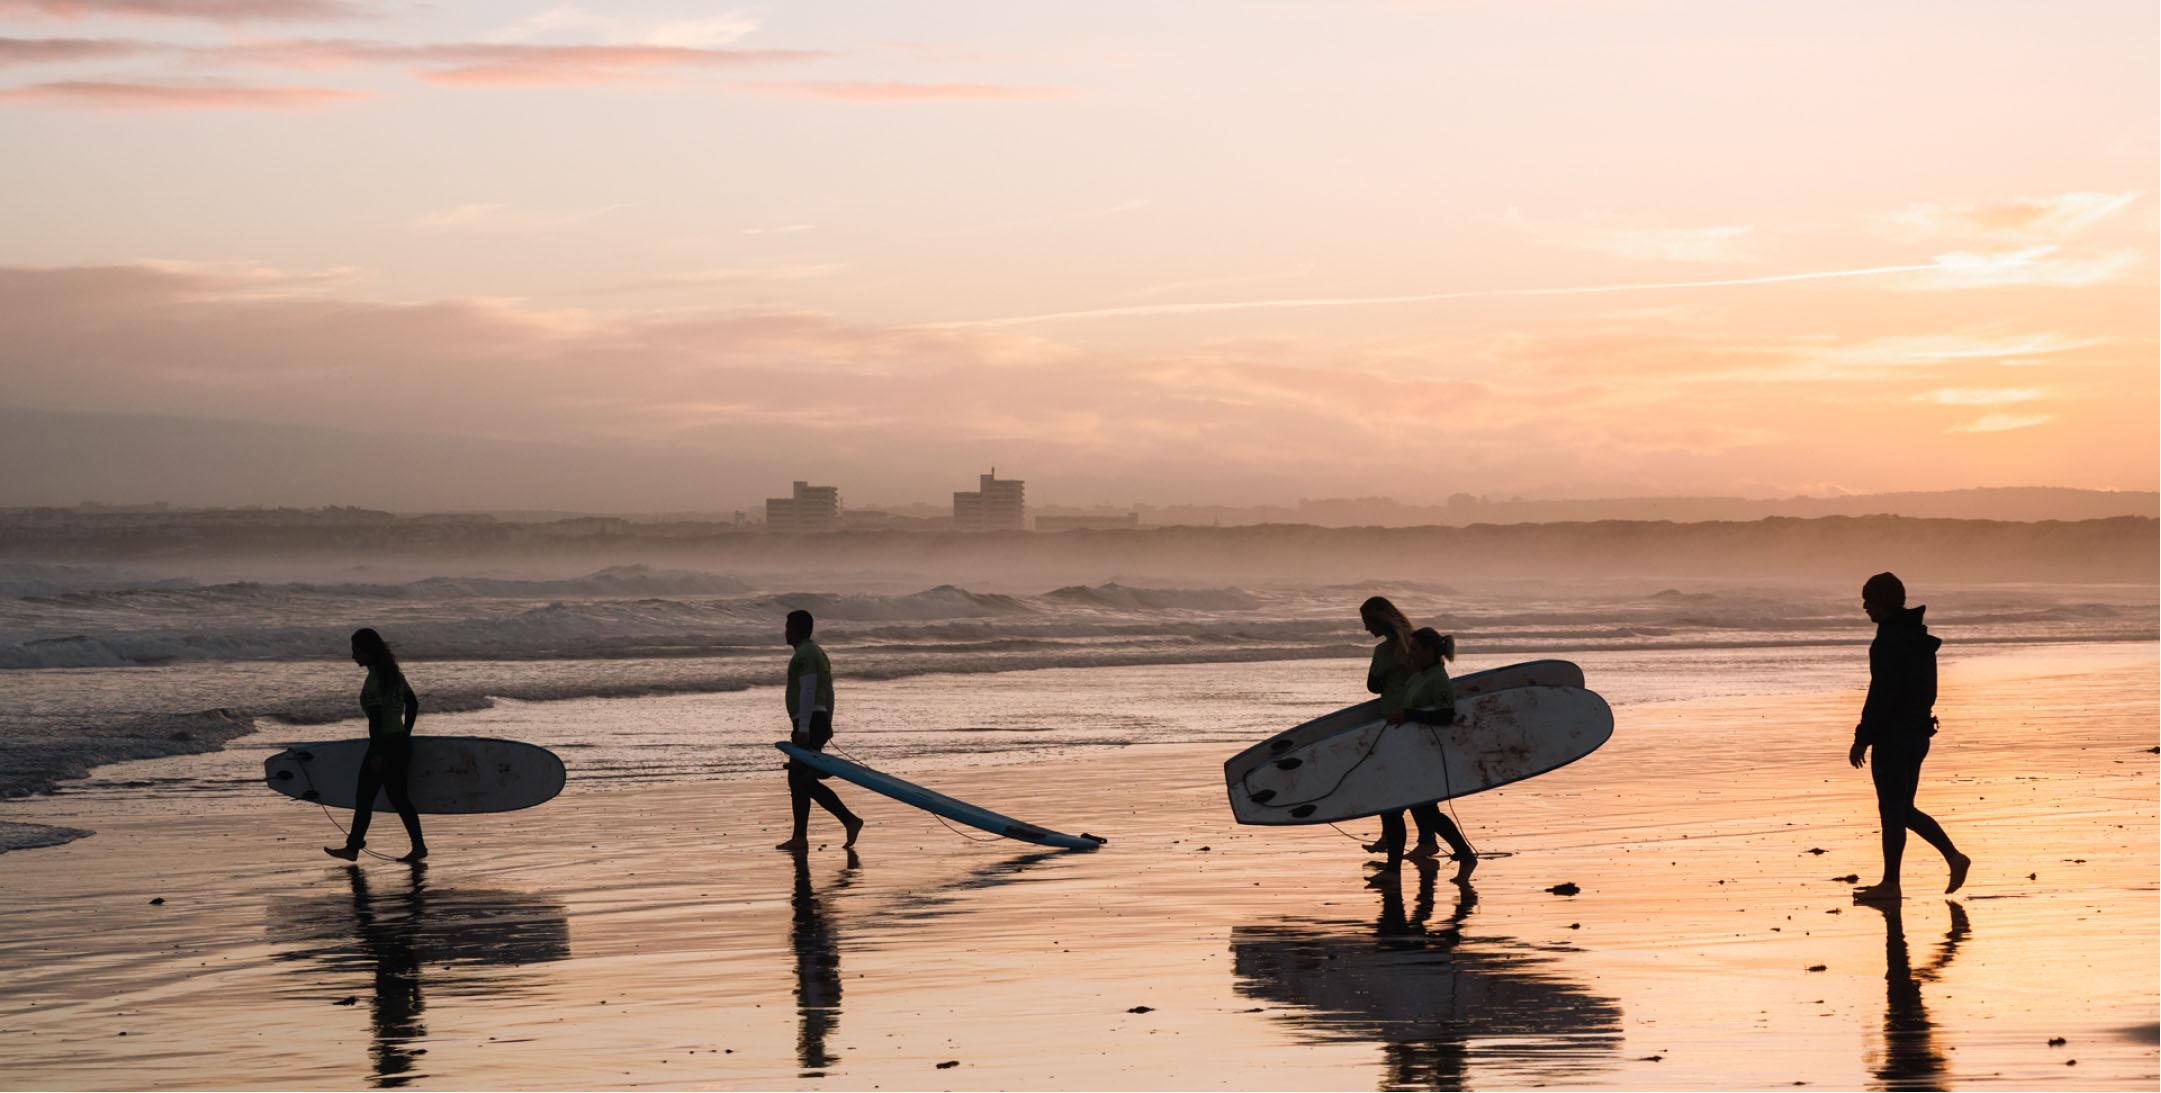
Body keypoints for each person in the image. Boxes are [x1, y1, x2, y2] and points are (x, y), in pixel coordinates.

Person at [1848, 572, 1970, 902]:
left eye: (1869, 599)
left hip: (1894, 737)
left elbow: (1880, 695)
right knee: (1901, 810)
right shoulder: (1917, 638)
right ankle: (1946, 861)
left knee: (1894, 811)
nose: (1864, 607)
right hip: (1918, 734)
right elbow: (1926, 691)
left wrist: (1863, 737)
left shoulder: (1888, 642)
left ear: (1884, 603)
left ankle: (1897, 881)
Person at [326, 628, 426, 863]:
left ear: (368, 651)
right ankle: (418, 847)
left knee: (364, 797)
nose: (353, 656)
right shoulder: (393, 674)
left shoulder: (374, 683)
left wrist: (378, 753)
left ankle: (352, 849)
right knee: (399, 797)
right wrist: (406, 733)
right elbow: (413, 704)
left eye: (356, 650)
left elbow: (377, 721)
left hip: (383, 745)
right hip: (399, 742)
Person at [1385, 627, 1477, 881]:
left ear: (1429, 650)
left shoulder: (1438, 678)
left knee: (1400, 809)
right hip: (1411, 754)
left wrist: (1409, 715)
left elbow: (1446, 715)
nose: (1410, 653)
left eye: (1414, 649)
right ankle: (1465, 856)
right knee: (1420, 813)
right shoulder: (1418, 677)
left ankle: (1393, 871)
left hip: (1427, 756)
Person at [1358, 597, 1447, 861]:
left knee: (1399, 784)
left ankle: (1426, 842)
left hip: (1397, 722)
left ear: (1380, 620)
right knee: (1411, 782)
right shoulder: (1417, 644)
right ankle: (1411, 839)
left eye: (1367, 622)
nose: (1365, 629)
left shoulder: (1386, 650)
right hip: (1418, 720)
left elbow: (1373, 686)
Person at [775, 610, 864, 852]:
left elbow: (809, 689)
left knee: (800, 779)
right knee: (800, 779)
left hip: (810, 722)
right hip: (818, 719)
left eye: (788, 626)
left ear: (797, 629)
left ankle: (846, 821)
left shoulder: (804, 654)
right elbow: (829, 691)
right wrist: (828, 721)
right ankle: (802, 836)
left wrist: (804, 727)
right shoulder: (818, 653)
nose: (785, 631)